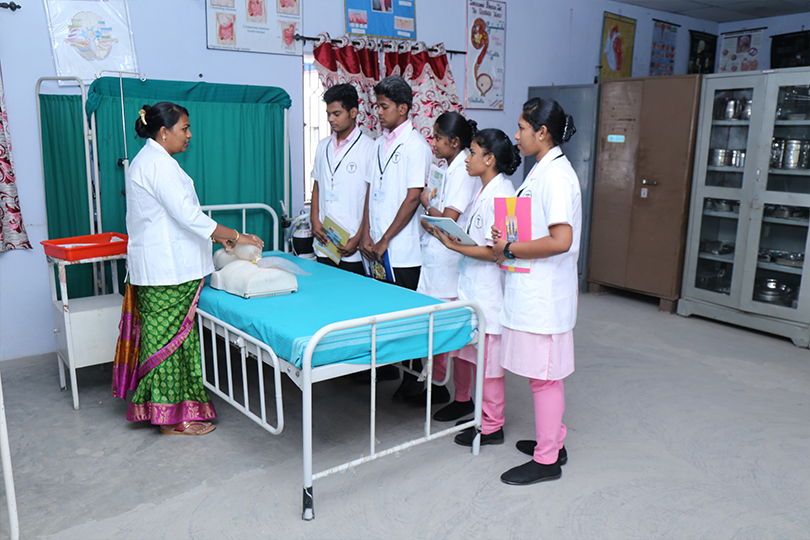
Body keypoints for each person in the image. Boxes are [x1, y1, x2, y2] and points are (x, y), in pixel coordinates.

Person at [121, 102, 264, 436]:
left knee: (171, 343)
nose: (189, 135)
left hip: (165, 268)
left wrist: (217, 237)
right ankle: (171, 419)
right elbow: (187, 216)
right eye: (184, 128)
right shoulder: (158, 165)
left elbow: (176, 217)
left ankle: (171, 409)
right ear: (164, 132)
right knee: (167, 347)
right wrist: (237, 235)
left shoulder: (151, 161)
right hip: (166, 271)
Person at [492, 98, 581, 485]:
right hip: (532, 288)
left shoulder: (556, 176)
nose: (516, 136)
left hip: (546, 296)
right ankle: (553, 442)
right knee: (542, 376)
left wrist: (510, 247)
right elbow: (536, 226)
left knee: (545, 378)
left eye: (522, 128)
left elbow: (561, 240)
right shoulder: (541, 171)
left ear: (542, 132)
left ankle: (547, 461)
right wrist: (507, 237)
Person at [430, 129, 519, 444]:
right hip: (473, 287)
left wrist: (454, 246)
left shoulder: (505, 195)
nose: (467, 159)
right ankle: (472, 407)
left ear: (489, 159)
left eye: (473, 153)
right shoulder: (484, 189)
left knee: (490, 365)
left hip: (491, 292)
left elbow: (502, 252)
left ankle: (492, 426)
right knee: (470, 353)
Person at [359, 74, 432, 399]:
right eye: (377, 106)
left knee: (408, 317)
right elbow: (370, 191)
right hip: (376, 245)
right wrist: (366, 233)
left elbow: (413, 197)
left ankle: (415, 380)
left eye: (384, 106)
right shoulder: (378, 144)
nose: (378, 112)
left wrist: (386, 238)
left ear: (403, 108)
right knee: (383, 311)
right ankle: (391, 368)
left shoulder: (417, 147)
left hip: (402, 250)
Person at [411, 112, 478, 413]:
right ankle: (436, 387)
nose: (433, 142)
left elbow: (447, 220)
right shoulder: (445, 168)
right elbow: (436, 221)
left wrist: (426, 204)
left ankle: (461, 397)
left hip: (450, 262)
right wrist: (430, 216)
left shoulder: (463, 170)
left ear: (455, 141)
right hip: (436, 256)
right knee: (435, 330)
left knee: (453, 337)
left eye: (438, 137)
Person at [310, 84, 374, 276]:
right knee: (324, 289)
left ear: (353, 112)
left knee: (351, 291)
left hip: (352, 241)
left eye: (336, 114)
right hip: (324, 240)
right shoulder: (323, 146)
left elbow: (371, 199)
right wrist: (315, 221)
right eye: (328, 114)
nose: (331, 119)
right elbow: (317, 185)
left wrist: (360, 236)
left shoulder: (369, 148)